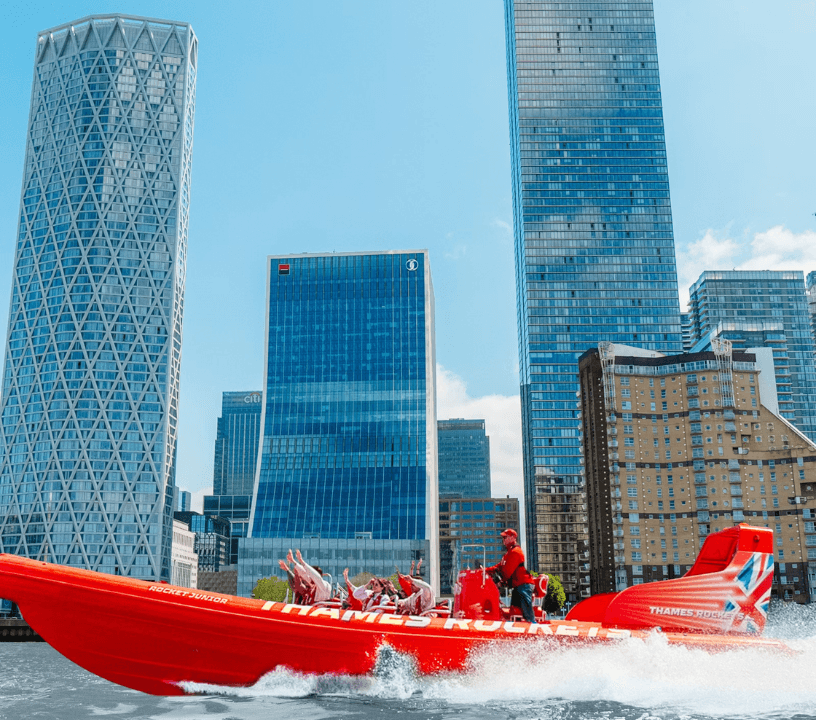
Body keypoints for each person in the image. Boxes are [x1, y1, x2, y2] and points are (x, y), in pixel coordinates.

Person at [485, 528, 536, 624]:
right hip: (517, 586)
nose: (503, 540)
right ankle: (518, 628)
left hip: (523, 585)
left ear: (513, 538)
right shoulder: (508, 554)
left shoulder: (515, 552)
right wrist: (484, 571)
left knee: (527, 613)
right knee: (514, 612)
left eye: (505, 537)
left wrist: (500, 583)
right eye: (503, 538)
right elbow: (498, 567)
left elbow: (506, 572)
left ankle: (533, 625)